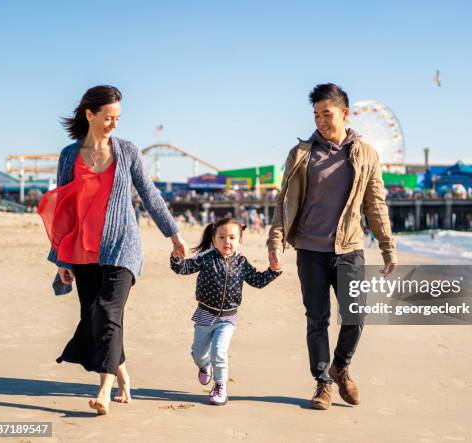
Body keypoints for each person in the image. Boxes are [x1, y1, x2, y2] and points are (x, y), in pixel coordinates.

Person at [38, 85, 188, 415]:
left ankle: (103, 390)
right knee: (94, 317)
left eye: (118, 118)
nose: (114, 124)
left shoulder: (128, 151)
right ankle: (122, 375)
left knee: (107, 311)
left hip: (122, 248)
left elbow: (150, 195)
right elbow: (62, 207)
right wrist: (60, 258)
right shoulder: (69, 156)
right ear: (90, 115)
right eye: (108, 117)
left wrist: (173, 235)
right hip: (81, 251)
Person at [267, 83, 398, 410]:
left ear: (345, 113)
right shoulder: (301, 153)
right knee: (317, 318)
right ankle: (323, 382)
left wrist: (387, 247)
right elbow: (284, 201)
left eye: (327, 114)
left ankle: (341, 366)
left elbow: (376, 204)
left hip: (349, 248)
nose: (321, 121)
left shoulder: (366, 153)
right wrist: (275, 241)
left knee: (355, 315)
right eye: (316, 115)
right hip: (310, 250)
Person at [170, 217, 281, 405]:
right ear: (214, 239)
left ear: (240, 241)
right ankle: (204, 367)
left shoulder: (242, 263)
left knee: (219, 352)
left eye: (232, 237)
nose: (226, 242)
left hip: (228, 318)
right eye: (221, 237)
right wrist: (176, 258)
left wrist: (273, 270)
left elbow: (257, 281)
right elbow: (184, 268)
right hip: (205, 314)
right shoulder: (206, 258)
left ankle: (220, 385)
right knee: (198, 354)